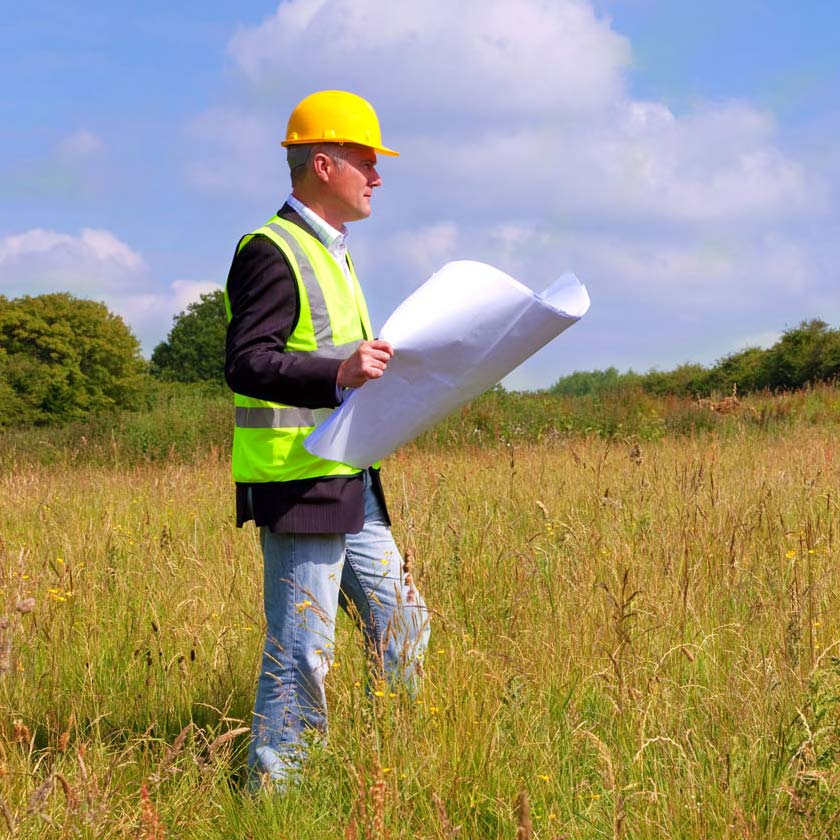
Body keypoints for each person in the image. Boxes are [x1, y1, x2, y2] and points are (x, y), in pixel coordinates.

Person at [224, 90, 430, 787]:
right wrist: (337, 372)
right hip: (298, 480)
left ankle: (390, 774)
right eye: (366, 163)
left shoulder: (333, 252)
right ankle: (278, 800)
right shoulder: (270, 250)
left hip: (352, 479)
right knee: (302, 651)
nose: (377, 177)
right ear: (323, 163)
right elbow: (247, 360)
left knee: (404, 625)